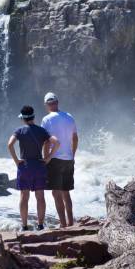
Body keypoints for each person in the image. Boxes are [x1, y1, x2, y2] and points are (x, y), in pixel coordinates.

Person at [8, 105, 59, 231]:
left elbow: (10, 145)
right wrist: (48, 158)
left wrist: (16, 161)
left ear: (23, 119)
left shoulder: (19, 131)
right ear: (33, 116)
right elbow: (56, 142)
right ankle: (40, 225)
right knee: (40, 197)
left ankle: (24, 226)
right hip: (39, 166)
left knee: (24, 197)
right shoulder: (41, 130)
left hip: (24, 167)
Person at [41, 92, 78, 227]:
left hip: (55, 159)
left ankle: (63, 224)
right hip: (68, 159)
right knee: (66, 192)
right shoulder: (69, 117)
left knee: (56, 193)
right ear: (57, 102)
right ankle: (71, 223)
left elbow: (46, 141)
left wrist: (45, 159)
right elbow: (75, 138)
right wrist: (72, 155)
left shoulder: (46, 119)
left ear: (46, 105)